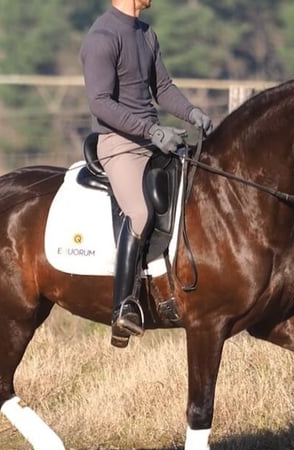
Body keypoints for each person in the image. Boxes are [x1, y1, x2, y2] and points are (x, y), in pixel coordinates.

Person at [80, 0, 213, 348]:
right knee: (139, 213)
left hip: (152, 140)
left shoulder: (146, 33)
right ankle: (123, 307)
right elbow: (100, 103)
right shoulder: (102, 37)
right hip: (119, 145)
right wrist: (153, 132)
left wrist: (191, 112)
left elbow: (163, 88)